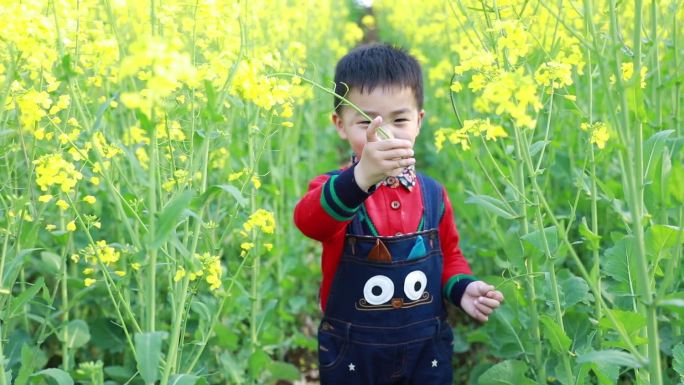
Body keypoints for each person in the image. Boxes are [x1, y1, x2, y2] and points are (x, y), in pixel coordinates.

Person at [293, 43, 504, 385]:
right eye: (366, 122)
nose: (385, 134)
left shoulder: (433, 194)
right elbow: (309, 222)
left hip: (425, 349)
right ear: (340, 125)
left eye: (399, 120)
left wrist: (462, 288)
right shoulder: (336, 189)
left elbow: (449, 255)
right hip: (353, 352)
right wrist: (360, 180)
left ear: (419, 122)